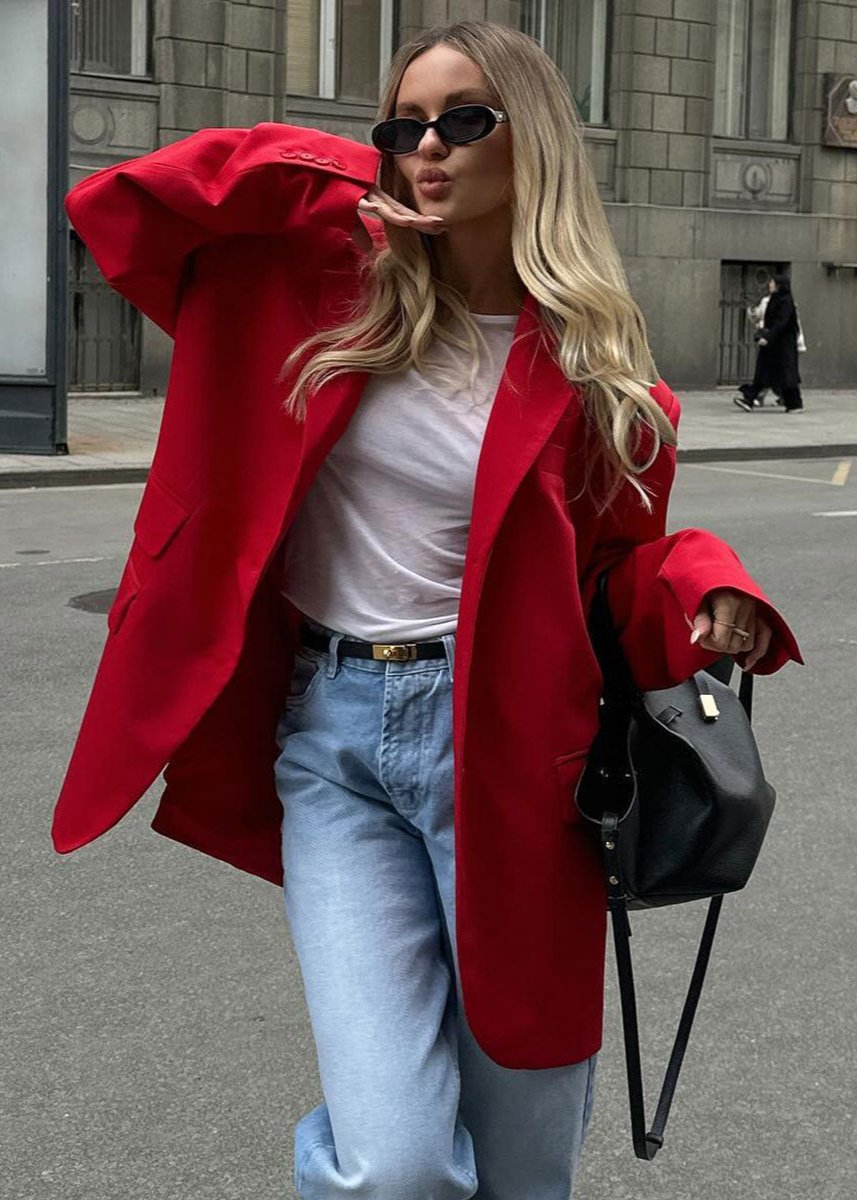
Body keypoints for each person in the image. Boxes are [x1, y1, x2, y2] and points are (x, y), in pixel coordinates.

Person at [52, 21, 802, 1199]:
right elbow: (124, 203)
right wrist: (345, 176)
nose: (426, 150)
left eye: (463, 120)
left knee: (519, 1161)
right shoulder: (322, 295)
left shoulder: (605, 377)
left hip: (509, 756)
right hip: (334, 745)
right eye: (404, 128)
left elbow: (611, 571)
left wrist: (707, 582)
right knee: (395, 1164)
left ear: (534, 140)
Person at [734, 274, 804, 412]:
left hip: (782, 344)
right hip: (773, 344)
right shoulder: (774, 299)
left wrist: (768, 336)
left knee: (786, 375)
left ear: (779, 285)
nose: (770, 284)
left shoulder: (785, 301)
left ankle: (794, 403)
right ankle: (750, 399)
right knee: (763, 372)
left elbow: (781, 322)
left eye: (772, 282)